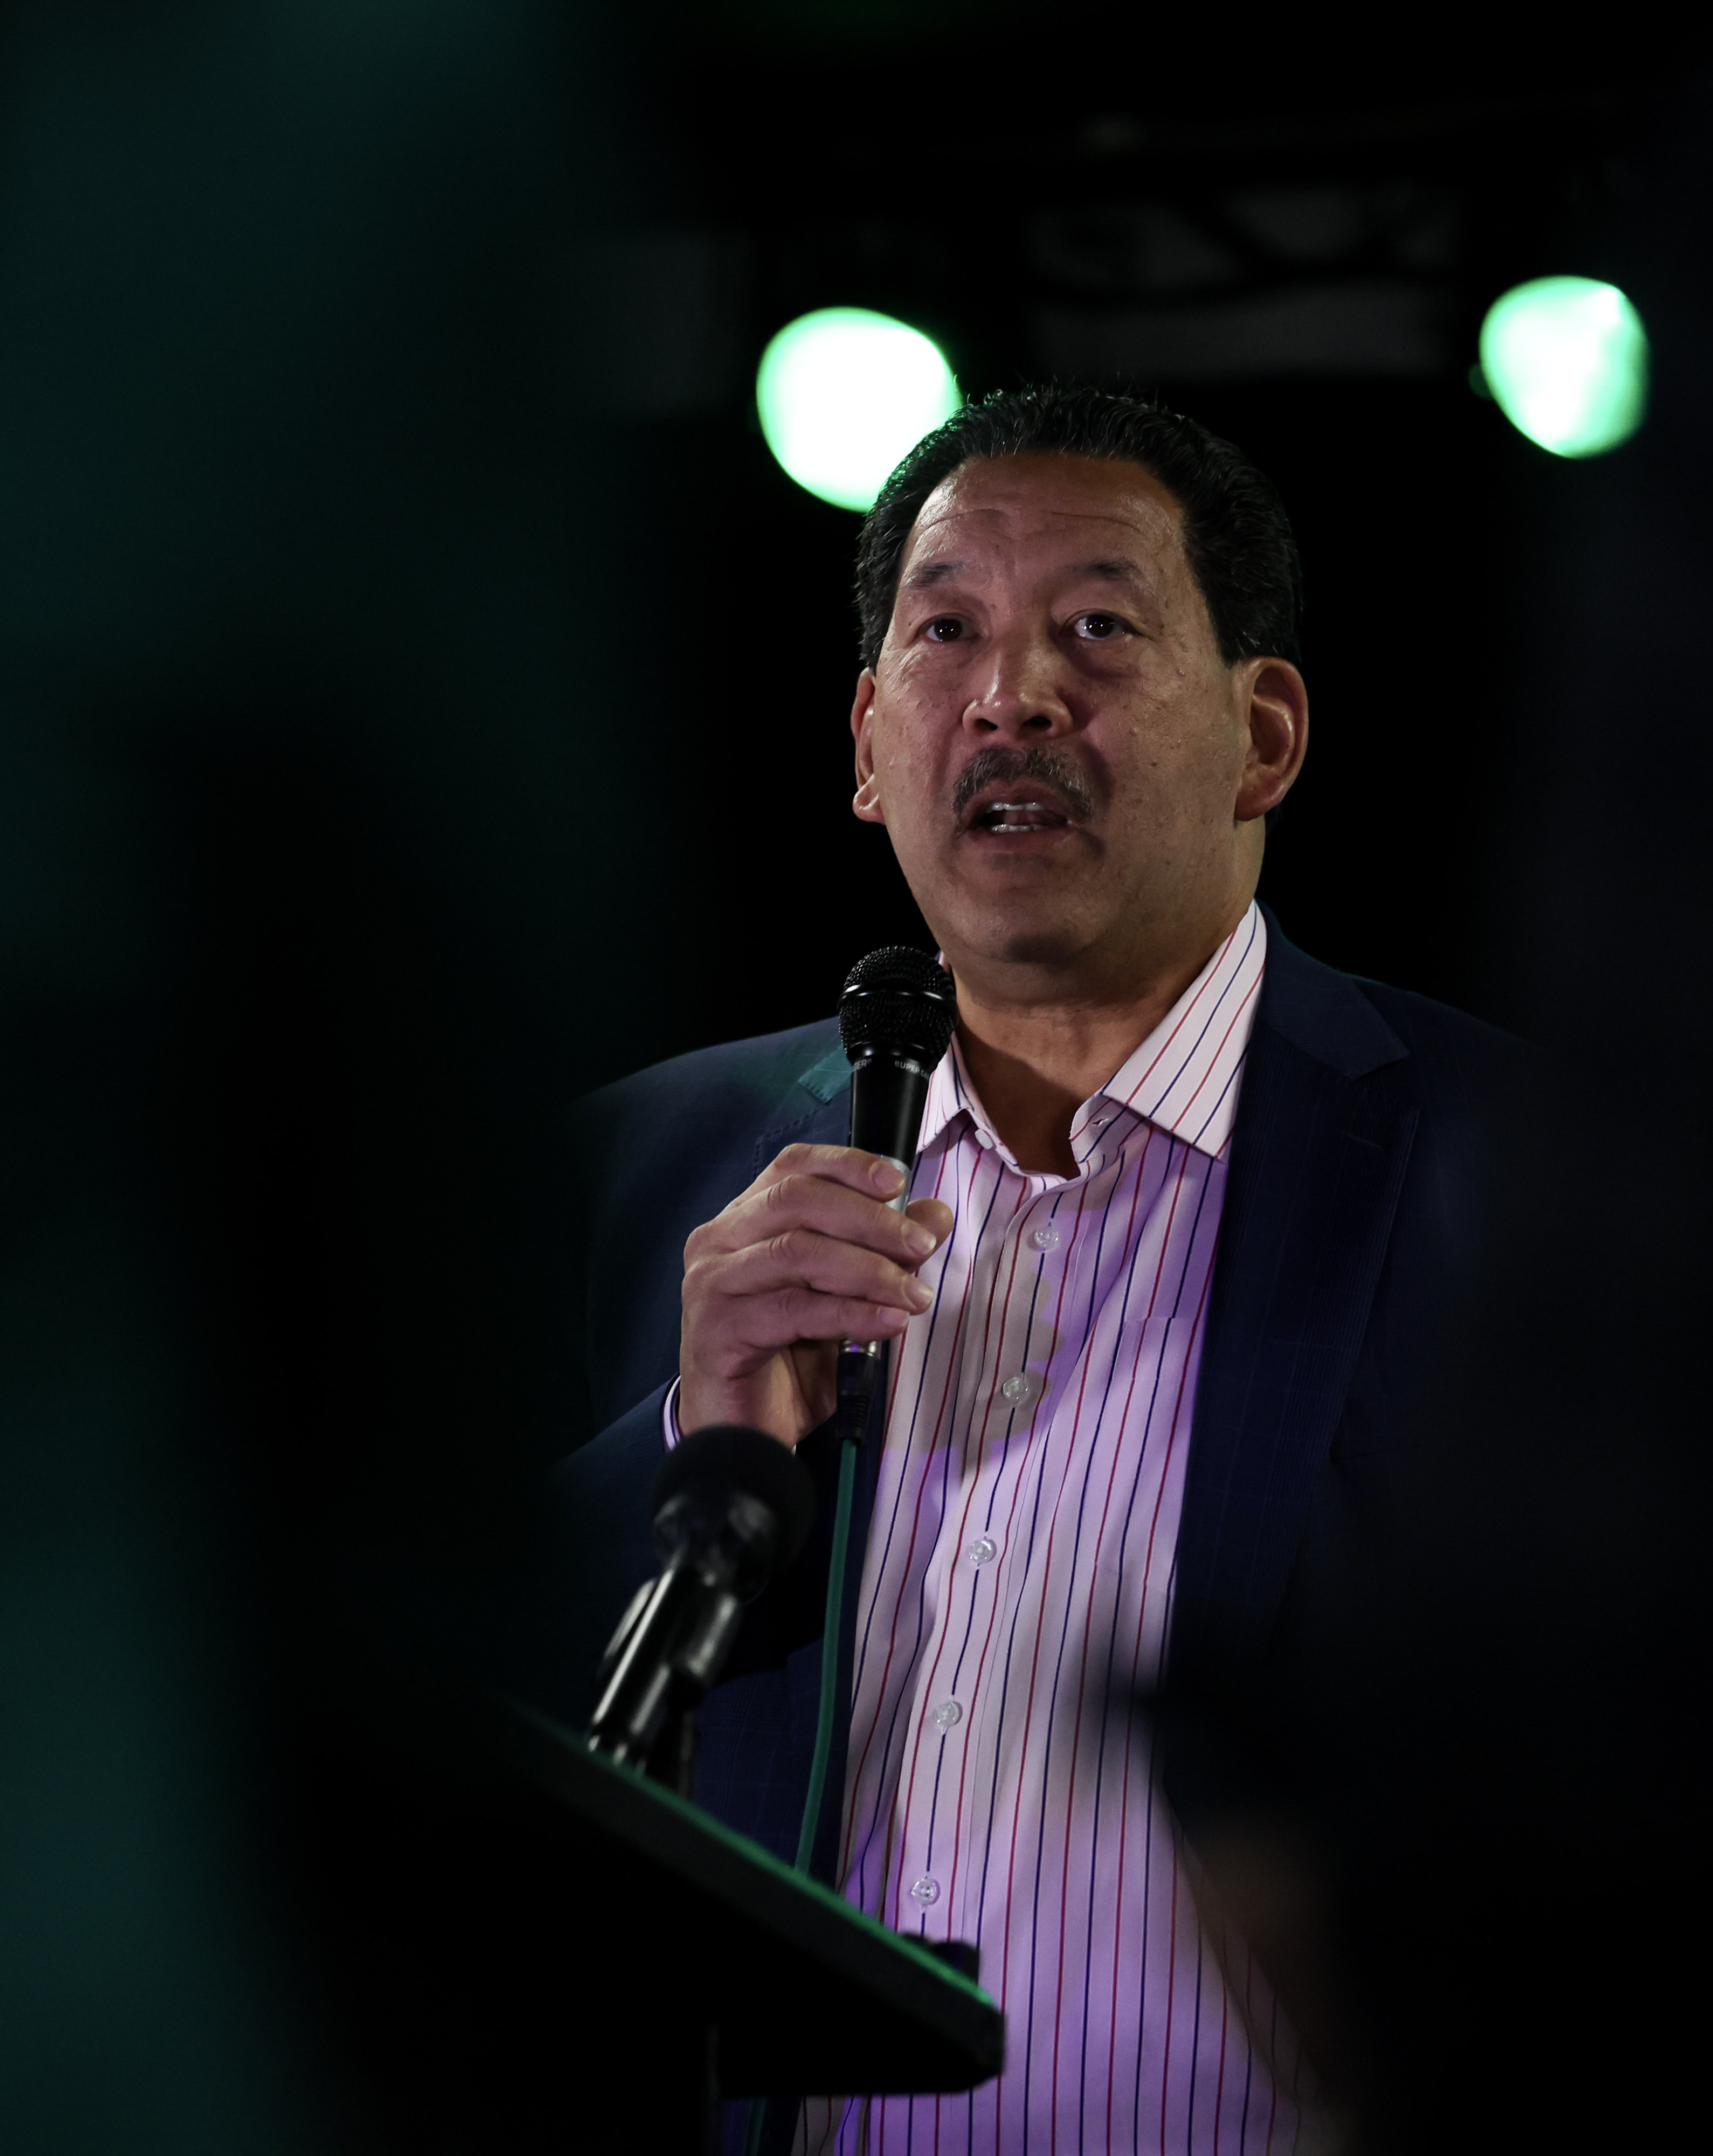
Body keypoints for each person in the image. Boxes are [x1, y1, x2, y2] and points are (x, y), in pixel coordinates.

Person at [556, 386, 1525, 2153]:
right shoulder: (640, 1181)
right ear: (866, 742)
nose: (1013, 695)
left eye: (1096, 625)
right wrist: (684, 1444)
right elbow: (426, 1743)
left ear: (1266, 737)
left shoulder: (1516, 1178)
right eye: (948, 632)